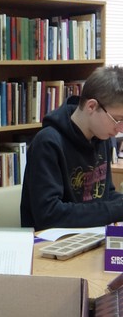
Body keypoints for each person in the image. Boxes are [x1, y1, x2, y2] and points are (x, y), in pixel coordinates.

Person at [21, 66, 123, 230]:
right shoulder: (47, 143)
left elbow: (106, 195)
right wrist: (115, 210)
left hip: (90, 236)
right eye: (117, 120)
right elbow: (49, 215)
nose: (120, 129)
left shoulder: (101, 136)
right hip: (50, 242)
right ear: (91, 106)